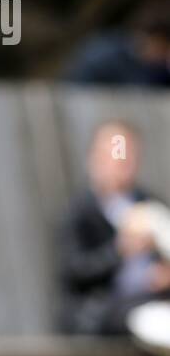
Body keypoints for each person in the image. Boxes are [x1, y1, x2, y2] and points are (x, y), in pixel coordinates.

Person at [58, 120, 170, 335]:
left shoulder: (151, 206)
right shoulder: (80, 211)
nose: (121, 163)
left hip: (154, 304)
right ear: (94, 159)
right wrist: (120, 251)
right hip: (102, 314)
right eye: (114, 155)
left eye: (128, 156)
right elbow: (74, 274)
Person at [63, 0, 170, 88]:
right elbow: (76, 91)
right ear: (150, 38)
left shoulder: (159, 70)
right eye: (163, 49)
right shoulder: (103, 54)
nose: (163, 56)